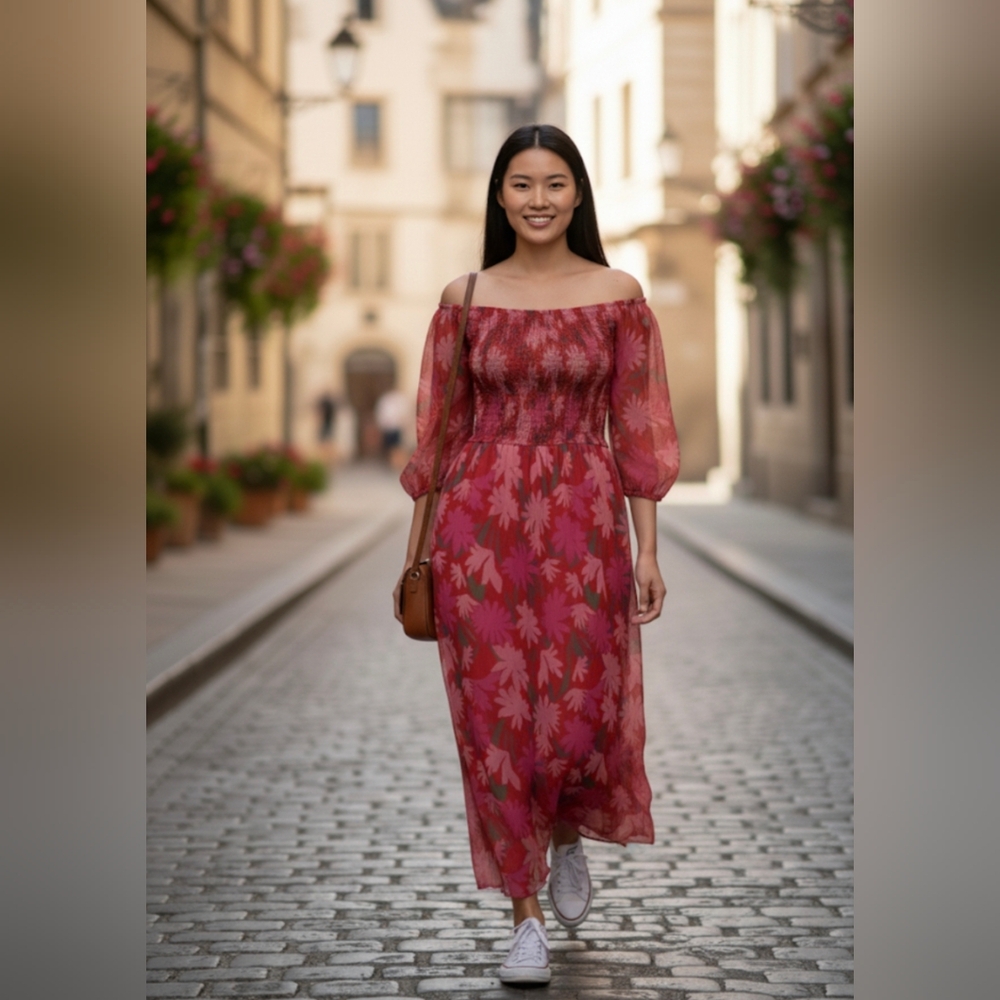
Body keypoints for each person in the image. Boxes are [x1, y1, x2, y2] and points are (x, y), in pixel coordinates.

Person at [394, 124, 680, 985]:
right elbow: (437, 439)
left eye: (554, 183)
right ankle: (524, 918)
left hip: (585, 524)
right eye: (521, 184)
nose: (538, 199)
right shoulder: (465, 298)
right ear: (500, 196)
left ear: (579, 194)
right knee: (497, 721)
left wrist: (649, 551)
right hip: (478, 529)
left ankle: (563, 832)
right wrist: (417, 557)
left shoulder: (619, 294)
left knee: (579, 710)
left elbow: (638, 429)